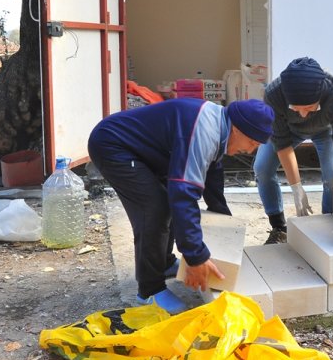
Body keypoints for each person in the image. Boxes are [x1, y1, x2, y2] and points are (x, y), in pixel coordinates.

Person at [87, 97, 274, 314]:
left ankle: (164, 263)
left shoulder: (219, 125)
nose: (250, 151)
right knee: (155, 210)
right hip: (113, 146)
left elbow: (212, 177)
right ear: (239, 130)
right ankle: (149, 290)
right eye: (253, 143)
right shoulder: (204, 133)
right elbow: (183, 196)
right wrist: (196, 257)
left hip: (144, 150)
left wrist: (225, 226)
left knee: (168, 204)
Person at [253, 57, 333, 247]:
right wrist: (296, 186)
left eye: (309, 108)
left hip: (325, 131)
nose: (303, 114)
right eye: (296, 108)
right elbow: (282, 143)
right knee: (262, 168)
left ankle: (326, 223)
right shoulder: (274, 94)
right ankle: (279, 228)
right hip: (288, 131)